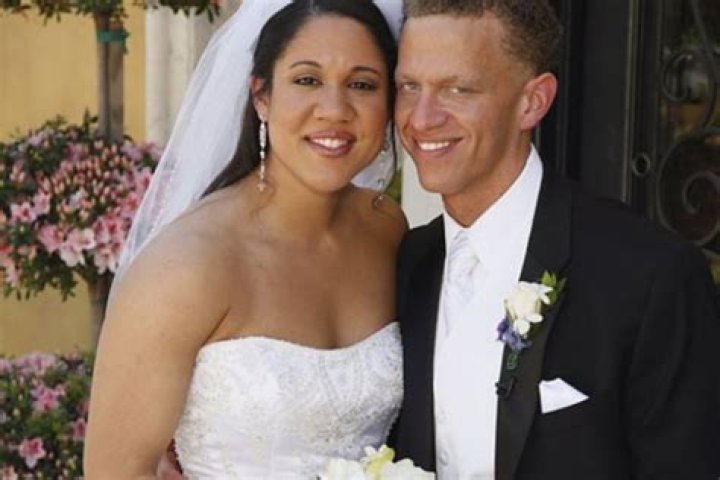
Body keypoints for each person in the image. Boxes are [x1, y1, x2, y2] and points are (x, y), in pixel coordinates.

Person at [390, 0, 720, 478]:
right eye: (409, 86)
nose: (421, 119)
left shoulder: (652, 276)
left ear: (533, 101)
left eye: (457, 89)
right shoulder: (406, 265)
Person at [84, 1, 408, 478]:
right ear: (262, 97)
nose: (335, 110)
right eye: (307, 80)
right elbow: (116, 472)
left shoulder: (387, 231)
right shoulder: (186, 266)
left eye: (362, 84)